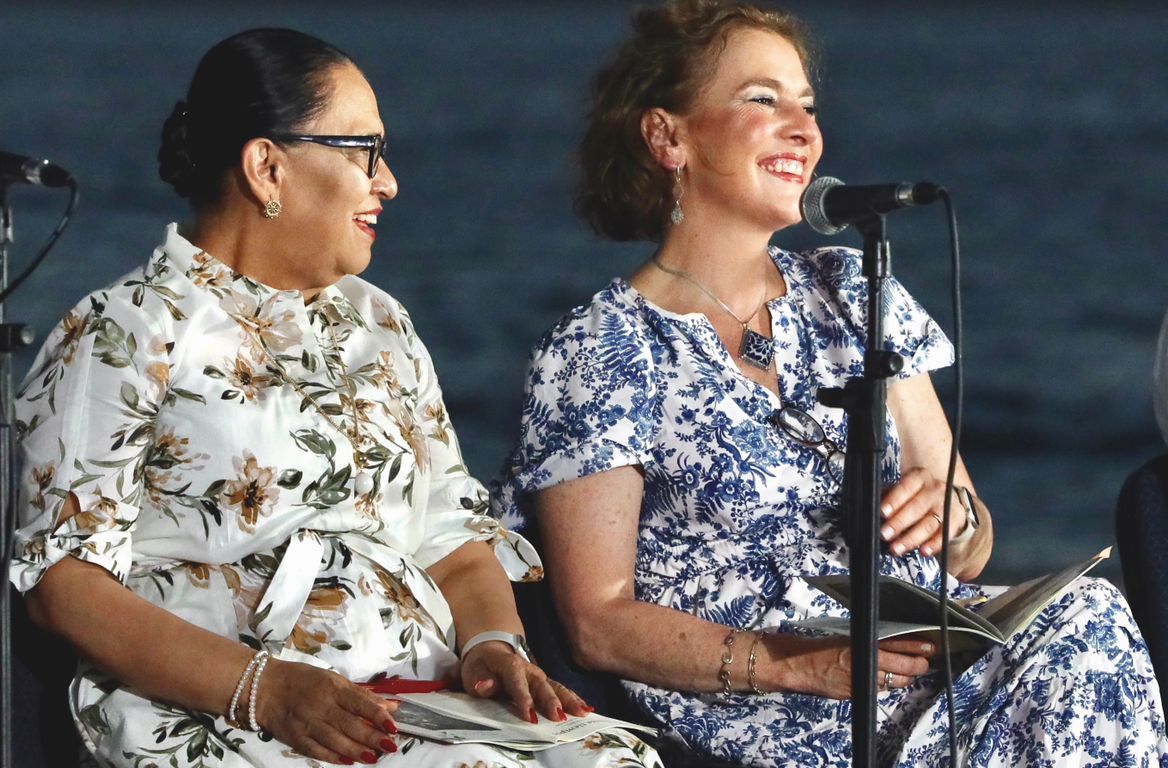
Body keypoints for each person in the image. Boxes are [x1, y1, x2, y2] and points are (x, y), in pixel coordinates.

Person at [492, 1, 1168, 765]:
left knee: (1087, 613)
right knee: (1079, 643)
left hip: (918, 656)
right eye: (763, 99)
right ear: (667, 135)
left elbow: (974, 544)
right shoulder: (599, 347)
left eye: (808, 106)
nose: (804, 129)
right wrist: (802, 664)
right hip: (767, 702)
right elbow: (597, 620)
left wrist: (949, 515)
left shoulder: (852, 287)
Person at [8, 28, 661, 768]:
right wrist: (267, 690)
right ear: (267, 168)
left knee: (616, 759)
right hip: (228, 709)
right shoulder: (124, 332)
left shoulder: (380, 323)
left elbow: (453, 535)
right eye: (365, 152)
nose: (388, 183)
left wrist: (493, 645)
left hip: (414, 700)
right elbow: (65, 585)